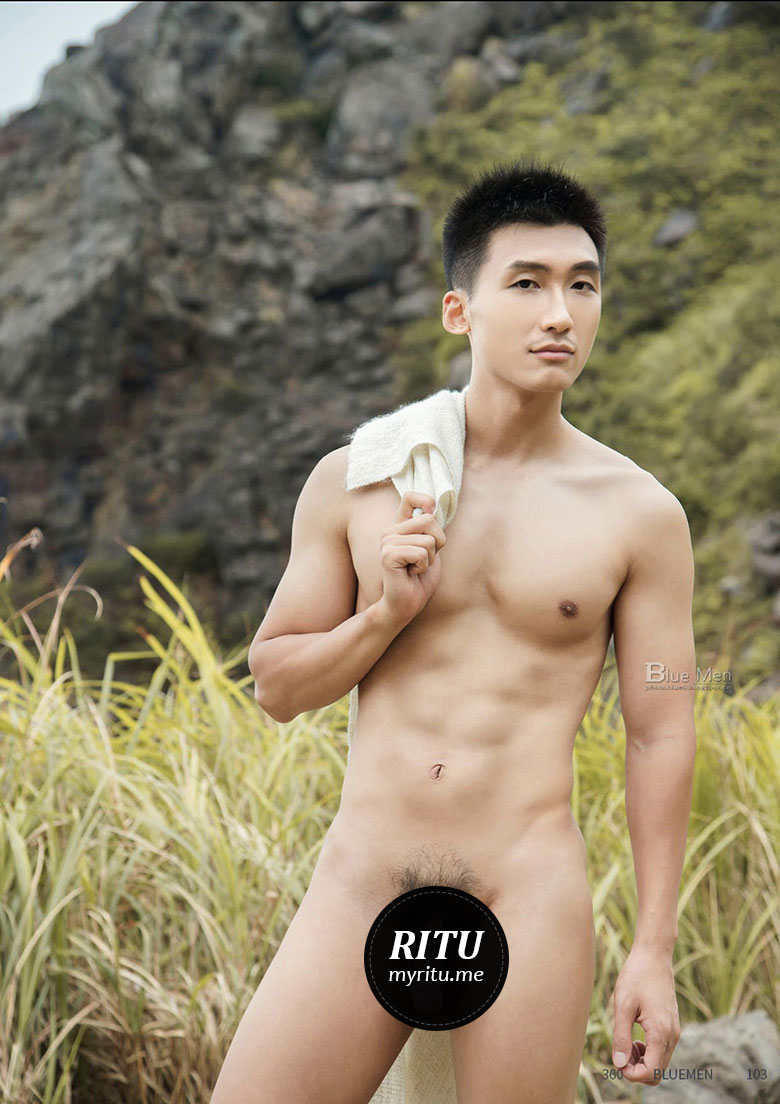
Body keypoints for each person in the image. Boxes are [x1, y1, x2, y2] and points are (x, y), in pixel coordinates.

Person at [210, 159, 696, 1104]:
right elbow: (276, 686)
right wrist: (385, 615)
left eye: (582, 286)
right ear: (458, 310)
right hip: (365, 883)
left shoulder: (639, 515)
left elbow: (661, 731)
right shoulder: (362, 481)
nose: (560, 314)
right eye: (527, 284)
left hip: (526, 893)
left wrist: (653, 949)